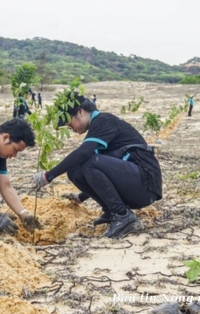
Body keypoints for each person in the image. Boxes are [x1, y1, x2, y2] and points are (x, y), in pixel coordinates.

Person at [32, 92, 162, 239]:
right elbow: (104, 173)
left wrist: (48, 176)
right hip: (136, 185)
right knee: (75, 171)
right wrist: (81, 197)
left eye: (69, 124)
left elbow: (84, 153)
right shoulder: (98, 127)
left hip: (145, 183)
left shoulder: (103, 120)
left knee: (87, 160)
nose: (71, 128)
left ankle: (122, 216)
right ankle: (111, 211)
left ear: (80, 112)